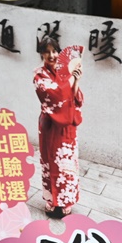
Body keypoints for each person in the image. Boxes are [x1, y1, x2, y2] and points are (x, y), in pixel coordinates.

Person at [33, 36, 84, 218]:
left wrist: (75, 82)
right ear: (41, 54)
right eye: (47, 51)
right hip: (50, 125)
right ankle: (51, 199)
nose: (51, 55)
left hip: (67, 125)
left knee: (66, 163)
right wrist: (69, 82)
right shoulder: (39, 74)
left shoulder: (67, 72)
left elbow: (76, 99)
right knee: (50, 161)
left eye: (54, 51)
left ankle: (66, 200)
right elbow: (52, 95)